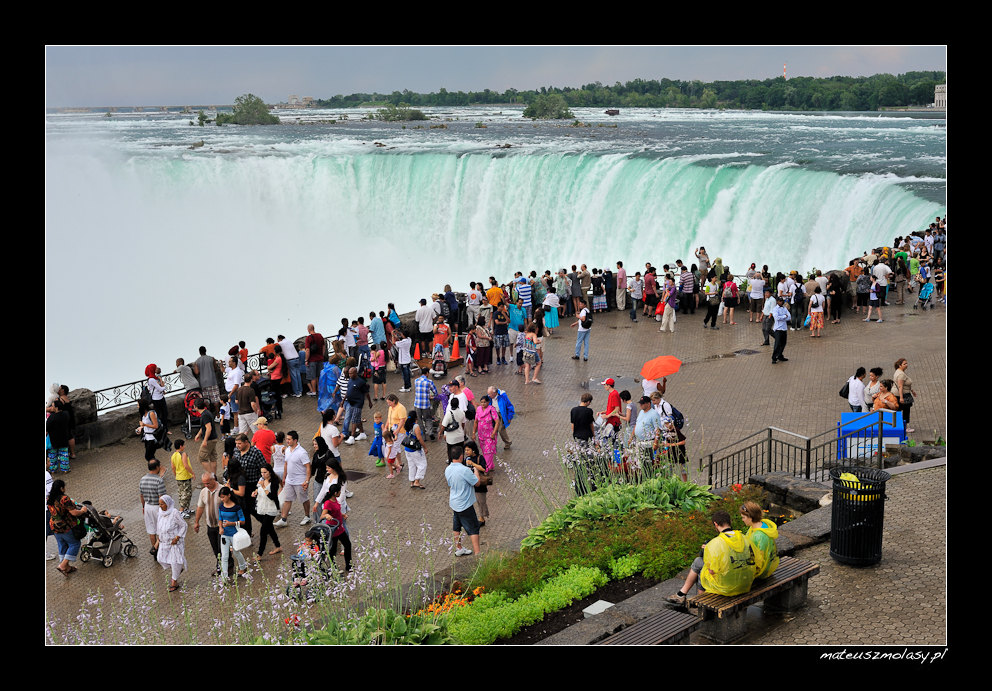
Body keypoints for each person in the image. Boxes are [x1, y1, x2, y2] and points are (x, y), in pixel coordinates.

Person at [668, 510, 756, 604]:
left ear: (715, 524)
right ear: (730, 522)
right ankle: (684, 595)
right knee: (700, 563)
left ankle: (699, 602)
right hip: (745, 583)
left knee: (703, 570)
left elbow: (712, 571)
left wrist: (709, 550)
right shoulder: (743, 537)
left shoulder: (716, 542)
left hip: (728, 587)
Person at [445, 443, 483, 557]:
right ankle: (477, 553)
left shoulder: (448, 469)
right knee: (473, 528)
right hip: (465, 503)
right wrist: (476, 472)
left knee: (456, 526)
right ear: (461, 456)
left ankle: (459, 548)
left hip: (454, 502)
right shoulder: (465, 470)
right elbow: (477, 483)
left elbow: (450, 483)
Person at [48, 479, 87, 576]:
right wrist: (82, 511)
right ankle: (63, 565)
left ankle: (67, 567)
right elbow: (74, 512)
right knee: (75, 544)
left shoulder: (50, 498)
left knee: (62, 544)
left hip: (54, 526)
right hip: (65, 526)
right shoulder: (64, 499)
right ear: (61, 488)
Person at [273, 431, 311, 527]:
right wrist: (284, 477)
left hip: (300, 481)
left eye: (289, 439)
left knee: (304, 499)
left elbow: (308, 467)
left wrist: (307, 480)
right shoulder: (287, 450)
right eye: (286, 439)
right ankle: (284, 519)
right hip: (289, 480)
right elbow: (286, 464)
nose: (287, 441)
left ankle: (307, 516)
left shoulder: (302, 452)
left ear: (295, 440)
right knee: (287, 499)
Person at [193, 472, 223, 576]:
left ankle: (222, 568)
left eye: (208, 483)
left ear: (213, 480)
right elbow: (200, 507)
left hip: (222, 526)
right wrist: (196, 522)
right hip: (210, 525)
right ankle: (225, 564)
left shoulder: (222, 490)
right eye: (204, 483)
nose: (206, 485)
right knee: (215, 548)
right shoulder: (203, 492)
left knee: (221, 548)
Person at [155, 495, 187, 592]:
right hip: (164, 542)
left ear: (168, 504)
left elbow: (184, 525)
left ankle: (174, 582)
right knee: (160, 559)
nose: (160, 506)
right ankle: (177, 569)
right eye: (159, 504)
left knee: (174, 561)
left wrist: (177, 537)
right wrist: (158, 540)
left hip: (174, 543)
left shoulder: (174, 513)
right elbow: (159, 526)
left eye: (162, 504)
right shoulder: (160, 513)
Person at [741, 501, 779, 580]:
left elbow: (759, 560)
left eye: (743, 517)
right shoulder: (762, 525)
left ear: (750, 517)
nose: (742, 520)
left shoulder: (759, 536)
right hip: (769, 566)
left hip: (762, 572)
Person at [218, 486, 248, 583]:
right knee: (224, 556)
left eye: (223, 497)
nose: (222, 499)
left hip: (235, 535)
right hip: (225, 534)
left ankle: (243, 566)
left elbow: (243, 521)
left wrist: (231, 523)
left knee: (236, 552)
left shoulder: (236, 507)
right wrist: (220, 528)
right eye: (221, 497)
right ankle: (224, 577)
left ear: (229, 495)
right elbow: (220, 518)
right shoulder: (221, 506)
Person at [252, 463, 282, 558]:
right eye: (262, 472)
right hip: (263, 507)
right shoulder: (261, 480)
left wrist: (264, 487)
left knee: (263, 531)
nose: (263, 474)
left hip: (271, 508)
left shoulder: (274, 482)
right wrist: (255, 492)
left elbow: (272, 496)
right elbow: (258, 489)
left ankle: (259, 554)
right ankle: (278, 546)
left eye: (265, 472)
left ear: (270, 472)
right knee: (270, 528)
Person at [139, 459, 167, 557]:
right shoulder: (159, 480)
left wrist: (143, 507)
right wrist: (164, 510)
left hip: (147, 506)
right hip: (157, 507)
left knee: (151, 530)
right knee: (162, 529)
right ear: (157, 467)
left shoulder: (142, 479)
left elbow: (141, 495)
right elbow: (161, 497)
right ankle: (157, 548)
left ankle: (155, 551)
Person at [463, 440, 491, 528]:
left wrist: (473, 464)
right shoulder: (466, 459)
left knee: (481, 501)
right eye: (465, 450)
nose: (466, 452)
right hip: (470, 484)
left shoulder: (480, 458)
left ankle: (482, 518)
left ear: (473, 450)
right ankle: (476, 518)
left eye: (468, 450)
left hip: (480, 484)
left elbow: (483, 469)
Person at [472, 395, 501, 472]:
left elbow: (497, 422)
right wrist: (474, 433)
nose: (483, 404)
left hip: (490, 436)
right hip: (481, 436)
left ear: (488, 402)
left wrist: (493, 433)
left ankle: (486, 468)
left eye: (484, 402)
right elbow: (476, 422)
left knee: (488, 452)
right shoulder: (478, 409)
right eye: (481, 402)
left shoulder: (492, 410)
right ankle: (490, 465)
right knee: (485, 451)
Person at [402, 411, 428, 490]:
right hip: (415, 449)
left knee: (411, 465)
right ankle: (417, 481)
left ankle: (412, 481)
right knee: (422, 464)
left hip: (407, 449)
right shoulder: (416, 426)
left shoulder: (407, 424)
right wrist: (425, 447)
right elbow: (419, 438)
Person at [193, 397, 219, 478]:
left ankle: (211, 476)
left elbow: (208, 428)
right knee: (213, 457)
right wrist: (199, 434)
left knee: (202, 458)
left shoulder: (204, 415)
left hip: (209, 440)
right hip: (213, 438)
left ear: (196, 407)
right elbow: (205, 426)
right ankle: (214, 476)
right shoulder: (207, 412)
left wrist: (205, 440)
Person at [170, 438, 195, 518]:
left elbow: (173, 467)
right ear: (181, 446)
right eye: (183, 445)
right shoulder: (183, 454)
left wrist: (176, 475)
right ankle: (181, 511)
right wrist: (192, 473)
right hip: (185, 476)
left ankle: (186, 509)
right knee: (186, 494)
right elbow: (186, 465)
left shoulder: (173, 455)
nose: (184, 446)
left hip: (179, 477)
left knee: (184, 493)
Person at [414, 369, 440, 442]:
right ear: (427, 373)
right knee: (428, 419)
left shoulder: (416, 381)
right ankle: (430, 432)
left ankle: (423, 437)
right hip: (426, 405)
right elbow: (435, 392)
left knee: (419, 420)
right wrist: (431, 396)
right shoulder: (429, 382)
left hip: (417, 404)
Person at [893, 358, 918, 433]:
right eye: (904, 364)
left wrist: (912, 391)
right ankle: (905, 427)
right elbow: (900, 386)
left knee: (899, 410)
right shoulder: (901, 374)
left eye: (906, 363)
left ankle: (897, 426)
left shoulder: (898, 372)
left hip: (899, 394)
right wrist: (901, 397)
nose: (906, 365)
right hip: (903, 395)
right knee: (906, 410)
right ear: (900, 365)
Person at [771, 296, 791, 364]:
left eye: (782, 301)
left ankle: (780, 355)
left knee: (783, 343)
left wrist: (783, 317)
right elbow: (777, 318)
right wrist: (784, 316)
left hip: (784, 328)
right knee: (777, 344)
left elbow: (789, 317)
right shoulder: (775, 309)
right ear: (777, 301)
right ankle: (774, 358)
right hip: (778, 329)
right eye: (780, 301)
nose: (781, 302)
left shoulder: (784, 308)